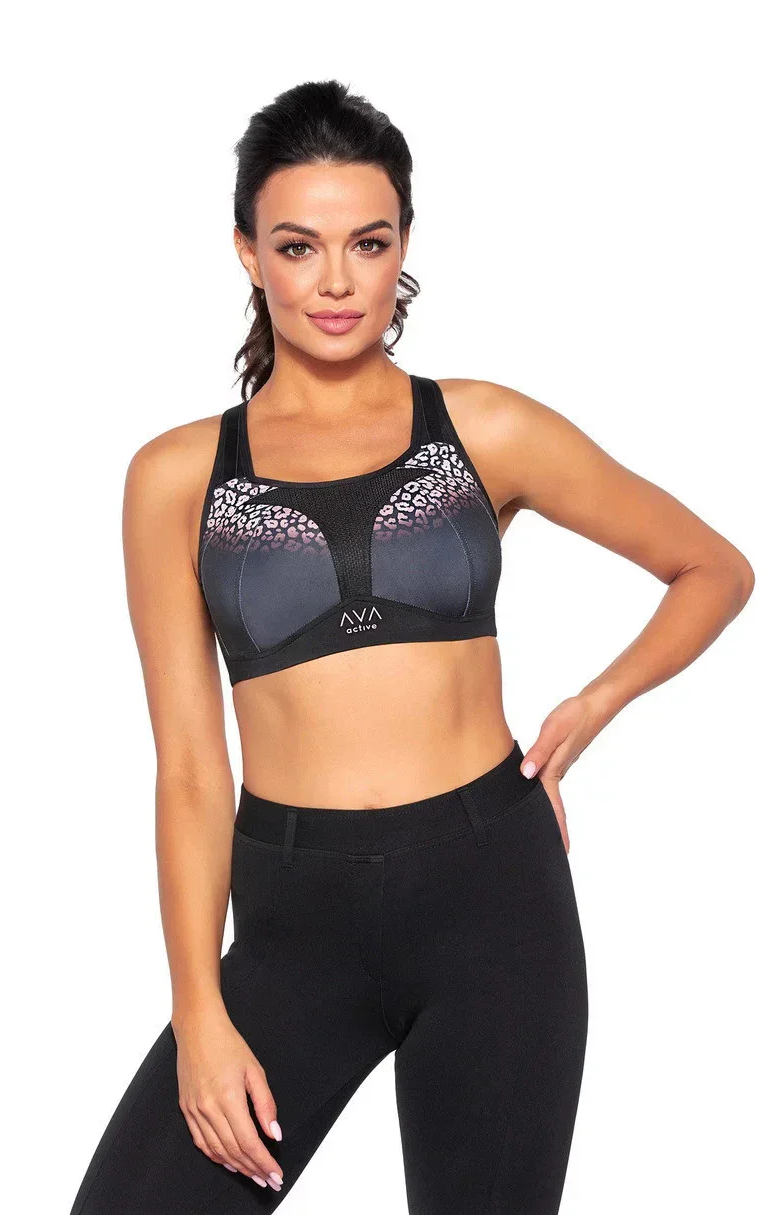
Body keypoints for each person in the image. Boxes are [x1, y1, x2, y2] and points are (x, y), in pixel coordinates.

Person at [68, 79, 754, 1214]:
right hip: (293, 918)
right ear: (248, 253)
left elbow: (713, 569)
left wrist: (589, 707)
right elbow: (190, 770)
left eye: (368, 243)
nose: (336, 282)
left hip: (494, 897)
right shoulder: (178, 477)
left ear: (403, 248)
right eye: (299, 246)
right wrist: (198, 1014)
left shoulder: (483, 427)